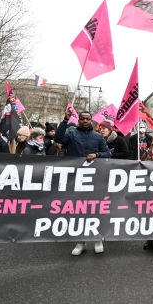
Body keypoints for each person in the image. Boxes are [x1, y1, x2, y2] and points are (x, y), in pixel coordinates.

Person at [54, 107, 111, 256]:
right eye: (82, 119)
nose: (85, 121)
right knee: (78, 210)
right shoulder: (71, 134)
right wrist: (65, 120)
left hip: (94, 179)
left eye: (87, 119)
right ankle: (81, 242)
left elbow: (107, 154)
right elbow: (58, 139)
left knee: (95, 209)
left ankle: (98, 239)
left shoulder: (98, 137)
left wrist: (96, 154)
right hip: (76, 178)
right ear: (78, 120)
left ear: (91, 120)